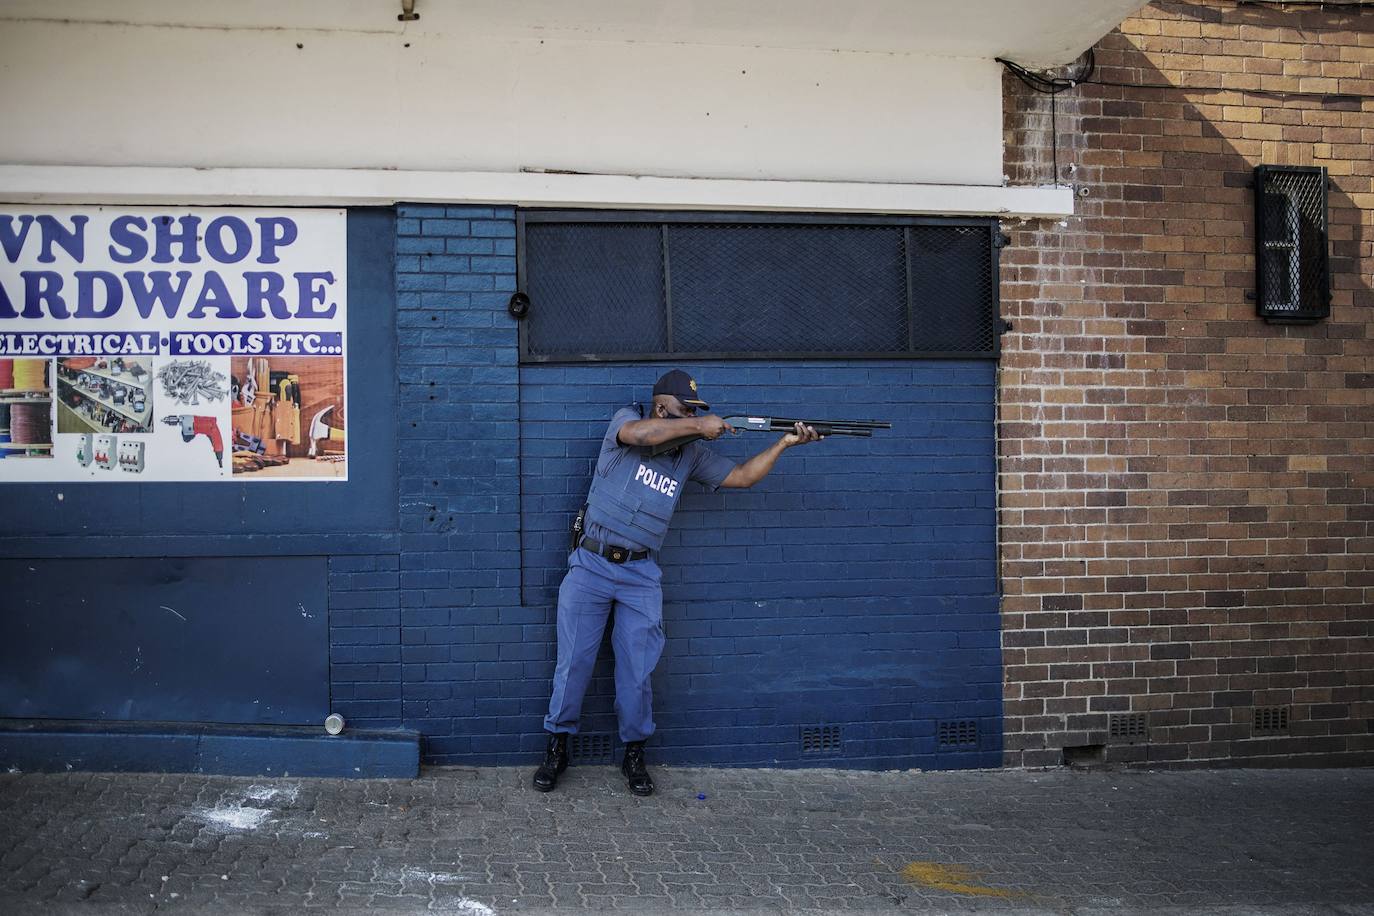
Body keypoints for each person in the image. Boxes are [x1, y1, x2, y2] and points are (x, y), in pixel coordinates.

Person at [533, 369, 822, 796]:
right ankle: (557, 746)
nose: (692, 415)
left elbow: (741, 477)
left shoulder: (692, 455)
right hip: (591, 565)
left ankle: (634, 754)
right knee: (573, 663)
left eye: (696, 411)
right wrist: (698, 425)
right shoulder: (625, 422)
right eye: (685, 408)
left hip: (640, 574)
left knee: (637, 671)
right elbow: (641, 435)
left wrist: (783, 443)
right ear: (661, 405)